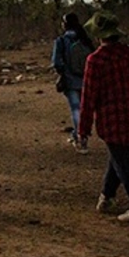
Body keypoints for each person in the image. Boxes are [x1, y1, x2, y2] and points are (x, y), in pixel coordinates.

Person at [77, 12, 129, 224]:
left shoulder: (95, 60)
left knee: (123, 162)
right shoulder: (128, 53)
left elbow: (88, 97)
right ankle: (106, 197)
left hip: (111, 119)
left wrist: (83, 129)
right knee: (119, 158)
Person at [52, 13, 95, 154]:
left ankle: (80, 138)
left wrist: (63, 73)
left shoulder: (61, 41)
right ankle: (79, 134)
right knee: (85, 109)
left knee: (76, 109)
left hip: (71, 80)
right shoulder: (85, 40)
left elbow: (56, 62)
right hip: (87, 79)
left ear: (64, 24)